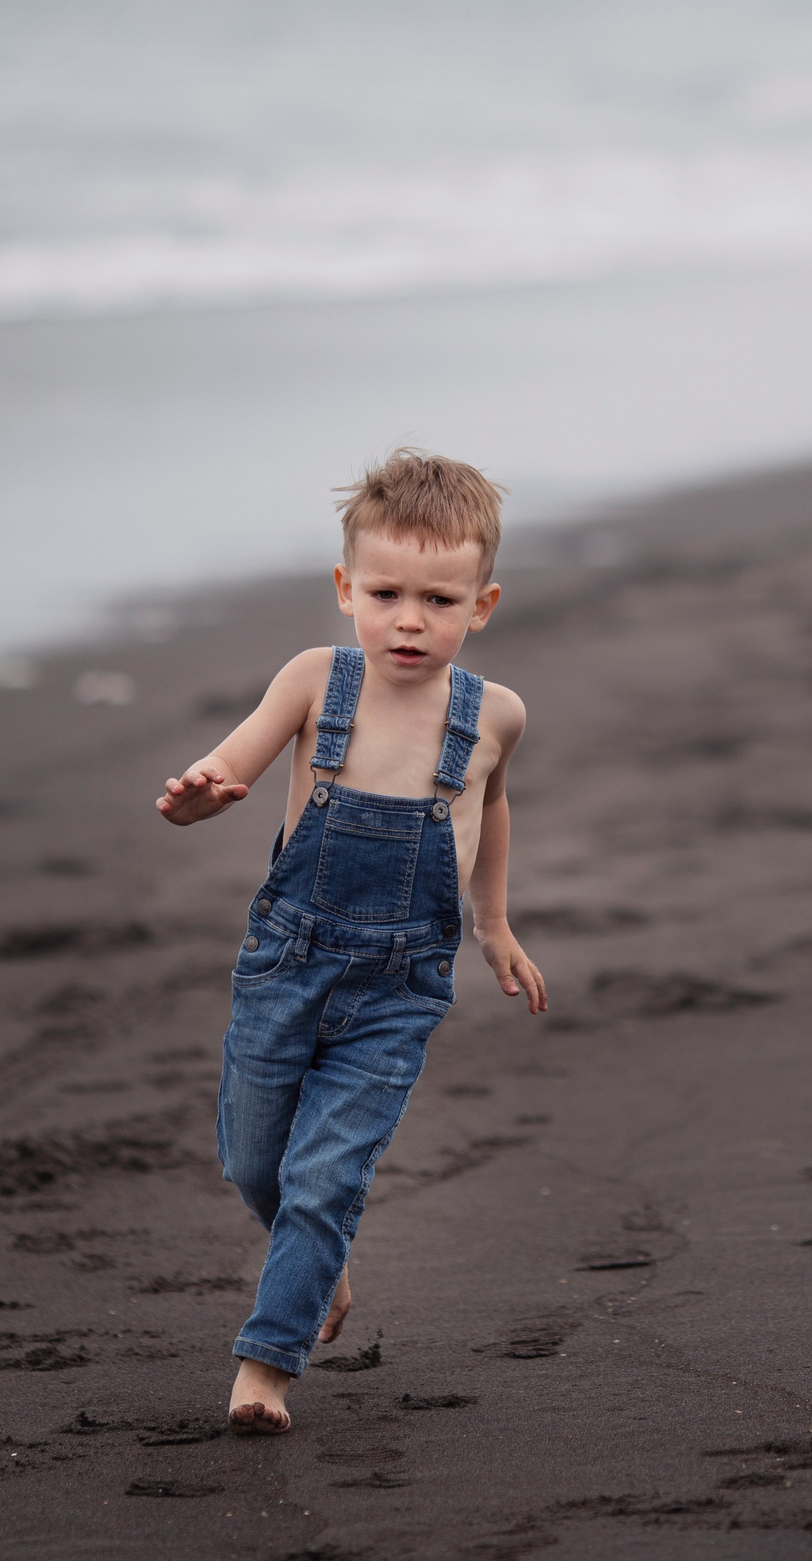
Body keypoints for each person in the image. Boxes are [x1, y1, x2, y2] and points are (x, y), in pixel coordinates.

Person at [153, 449, 546, 1437]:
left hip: (398, 990)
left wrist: (492, 924)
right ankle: (316, 1261)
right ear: (345, 589)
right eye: (385, 593)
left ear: (482, 603)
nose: (409, 619)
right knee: (255, 1163)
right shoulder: (314, 683)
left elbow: (490, 811)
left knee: (325, 1177)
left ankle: (265, 1368)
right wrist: (198, 799)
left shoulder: (493, 715)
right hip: (287, 967)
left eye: (438, 599)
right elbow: (229, 769)